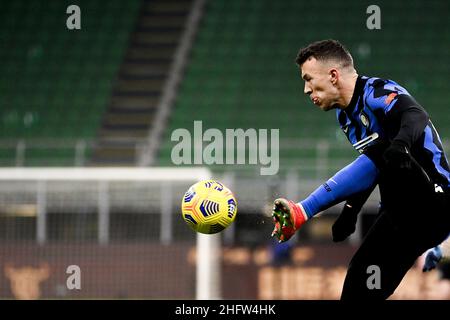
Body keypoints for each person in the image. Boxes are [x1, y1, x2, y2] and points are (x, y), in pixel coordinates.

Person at [270, 39, 450, 300]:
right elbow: (373, 165)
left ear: (333, 75)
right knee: (360, 282)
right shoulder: (345, 117)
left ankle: (304, 209)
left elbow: (416, 116)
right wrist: (351, 211)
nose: (306, 90)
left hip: (435, 199)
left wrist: (399, 144)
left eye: (309, 79)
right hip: (402, 215)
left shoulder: (375, 91)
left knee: (383, 146)